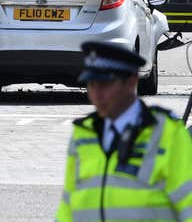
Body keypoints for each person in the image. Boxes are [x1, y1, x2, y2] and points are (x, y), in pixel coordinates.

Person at [56, 41, 192, 221]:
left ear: (131, 82)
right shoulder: (83, 135)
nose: (97, 94)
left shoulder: (168, 134)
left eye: (105, 84)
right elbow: (68, 206)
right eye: (92, 84)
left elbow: (187, 205)